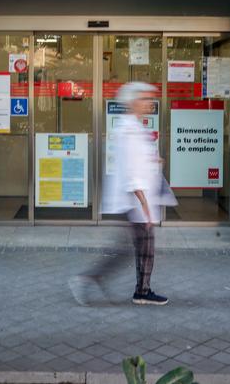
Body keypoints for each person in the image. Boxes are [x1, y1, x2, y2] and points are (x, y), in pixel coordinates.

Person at [70, 81, 176, 306]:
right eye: (145, 98)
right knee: (137, 249)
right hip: (135, 201)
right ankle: (91, 280)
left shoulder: (134, 127)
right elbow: (131, 172)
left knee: (135, 248)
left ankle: (139, 290)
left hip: (138, 200)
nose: (149, 103)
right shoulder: (128, 129)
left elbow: (138, 161)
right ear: (132, 101)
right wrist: (145, 206)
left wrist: (153, 160)